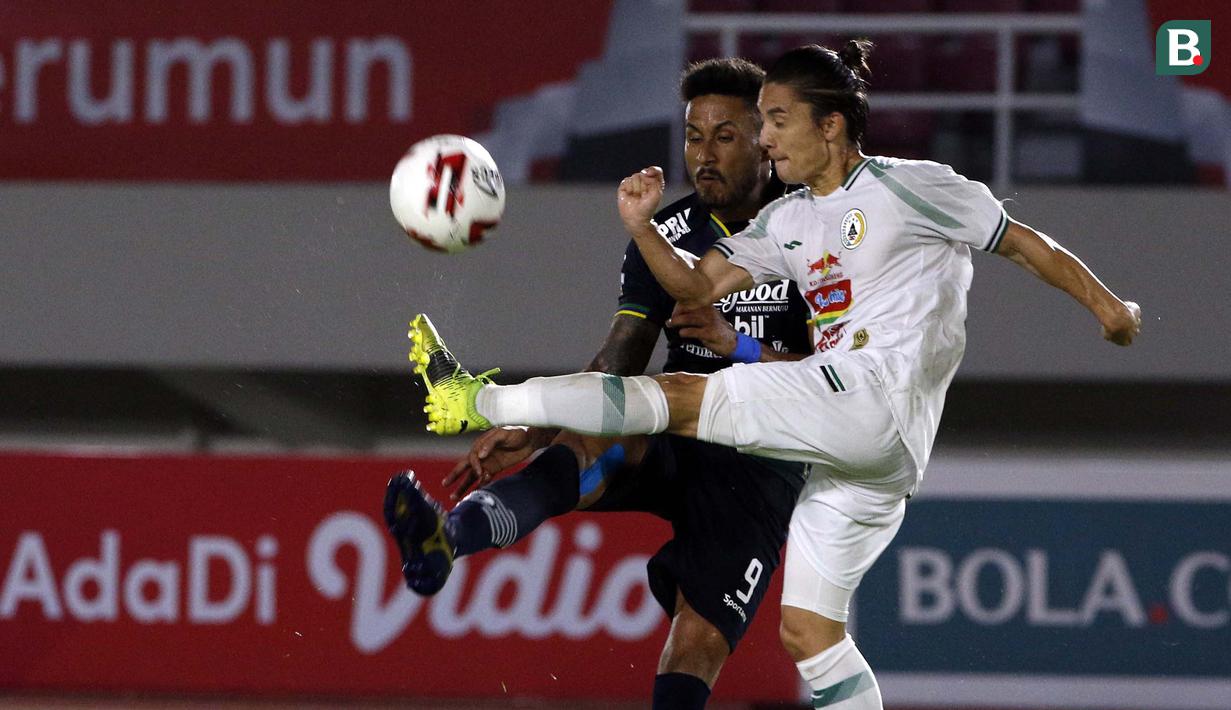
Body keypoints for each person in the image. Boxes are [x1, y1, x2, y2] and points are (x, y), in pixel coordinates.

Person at [406, 41, 1141, 709]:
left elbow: (1019, 245)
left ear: (823, 127)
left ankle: (472, 395)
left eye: (759, 126)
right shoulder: (765, 228)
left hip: (819, 428)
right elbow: (680, 300)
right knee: (809, 636)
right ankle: (453, 534)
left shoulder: (902, 190)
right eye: (713, 133)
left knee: (673, 424)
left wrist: (1108, 307)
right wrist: (637, 228)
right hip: (831, 445)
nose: (746, 142)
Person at [385, 58, 814, 710]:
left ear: (765, 139)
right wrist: (536, 426)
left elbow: (842, 380)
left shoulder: (816, 232)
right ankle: (447, 539)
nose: (703, 153)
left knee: (694, 642)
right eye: (693, 135)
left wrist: (739, 347)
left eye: (724, 136)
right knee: (588, 437)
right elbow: (620, 355)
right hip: (676, 420)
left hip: (763, 453)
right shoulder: (665, 234)